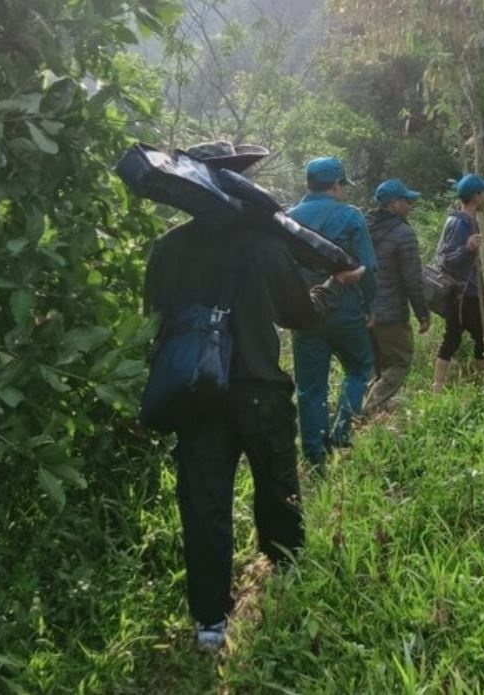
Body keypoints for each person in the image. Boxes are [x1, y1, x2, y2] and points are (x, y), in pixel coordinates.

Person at [143, 141, 364, 650]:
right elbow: (300, 316)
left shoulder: (168, 249)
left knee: (204, 505)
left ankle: (210, 624)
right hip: (259, 391)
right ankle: (286, 586)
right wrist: (336, 284)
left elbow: (152, 322)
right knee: (278, 490)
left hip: (194, 395)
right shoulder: (264, 244)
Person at [288, 157, 377, 470]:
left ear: (308, 184)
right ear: (337, 185)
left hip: (304, 311)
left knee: (310, 386)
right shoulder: (350, 216)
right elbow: (368, 267)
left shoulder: (286, 219)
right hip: (345, 309)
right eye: (342, 185)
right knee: (360, 368)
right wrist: (371, 306)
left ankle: (314, 454)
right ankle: (342, 433)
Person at [363, 179, 430, 415]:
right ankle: (364, 412)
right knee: (399, 363)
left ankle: (368, 415)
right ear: (394, 204)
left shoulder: (363, 227)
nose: (409, 205)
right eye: (406, 201)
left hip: (364, 310)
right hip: (390, 313)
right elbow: (412, 280)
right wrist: (423, 314)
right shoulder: (403, 233)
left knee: (375, 366)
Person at [431, 173, 484, 390]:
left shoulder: (461, 219)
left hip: (460, 291)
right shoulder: (461, 223)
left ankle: (437, 387)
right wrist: (467, 248)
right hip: (466, 293)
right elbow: (445, 258)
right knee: (483, 337)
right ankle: (483, 386)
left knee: (452, 337)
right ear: (475, 196)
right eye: (483, 193)